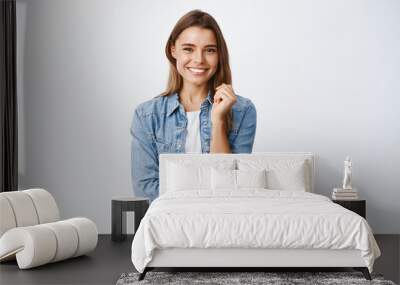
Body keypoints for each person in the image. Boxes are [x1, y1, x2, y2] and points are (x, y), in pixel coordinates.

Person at [131, 10, 257, 202]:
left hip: (223, 220)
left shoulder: (242, 110)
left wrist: (218, 120)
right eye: (188, 49)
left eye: (210, 50)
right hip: (169, 222)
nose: (199, 59)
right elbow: (146, 190)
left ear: (219, 54)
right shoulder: (147, 115)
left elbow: (230, 188)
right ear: (173, 50)